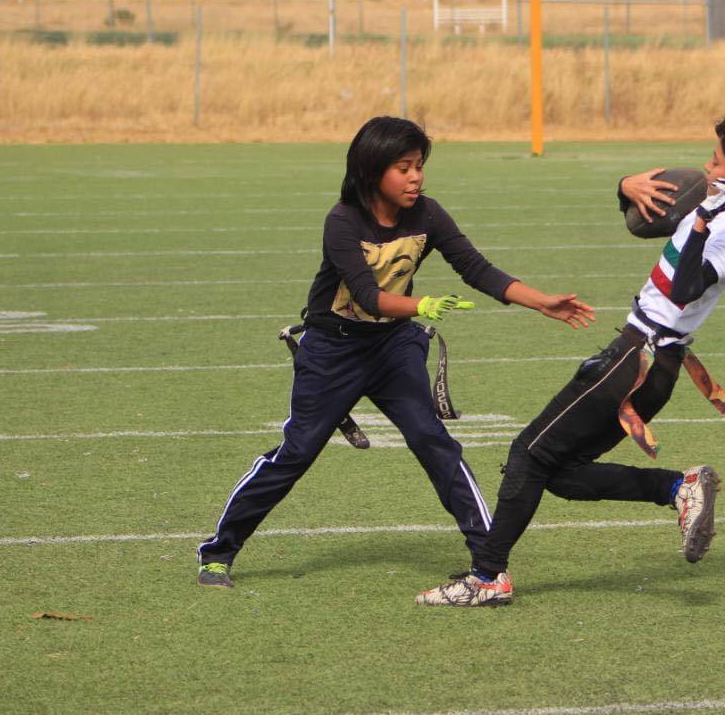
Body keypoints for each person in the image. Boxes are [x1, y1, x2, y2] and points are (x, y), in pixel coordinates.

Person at [415, 102, 725, 607]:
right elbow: (644, 220)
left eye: (716, 162)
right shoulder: (721, 212)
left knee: (528, 453)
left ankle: (487, 576)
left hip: (638, 360)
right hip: (648, 358)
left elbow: (685, 289)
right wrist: (625, 187)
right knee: (561, 473)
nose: (706, 168)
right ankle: (677, 487)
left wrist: (704, 217)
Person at [196, 116, 595, 588]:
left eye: (419, 165)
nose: (415, 177)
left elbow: (476, 268)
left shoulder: (428, 214)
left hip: (393, 346)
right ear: (371, 171)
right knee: (297, 453)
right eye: (403, 168)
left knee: (433, 441)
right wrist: (421, 304)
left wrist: (541, 301)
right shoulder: (342, 221)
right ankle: (218, 553)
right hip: (332, 351)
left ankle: (487, 560)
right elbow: (368, 297)